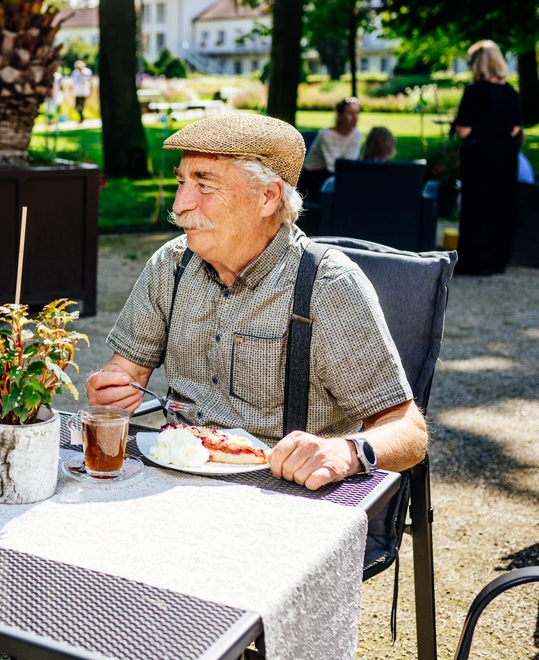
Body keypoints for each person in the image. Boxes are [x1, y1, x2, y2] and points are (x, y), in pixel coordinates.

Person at [86, 112, 427, 491]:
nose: (180, 204)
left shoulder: (326, 284)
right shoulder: (172, 264)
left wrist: (345, 452)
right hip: (174, 475)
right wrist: (111, 390)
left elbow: (408, 432)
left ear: (267, 197)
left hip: (282, 493)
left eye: (204, 185)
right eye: (181, 181)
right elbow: (125, 374)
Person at [453, 39, 523, 275]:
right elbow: (515, 128)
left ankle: (475, 261)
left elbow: (463, 129)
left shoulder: (474, 92)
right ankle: (497, 260)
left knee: (476, 207)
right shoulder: (511, 92)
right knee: (502, 207)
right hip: (505, 156)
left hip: (479, 157)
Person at [299, 97, 363, 198]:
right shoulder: (326, 135)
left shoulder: (357, 136)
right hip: (315, 177)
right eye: (350, 113)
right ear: (339, 116)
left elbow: (351, 162)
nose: (355, 117)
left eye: (357, 113)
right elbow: (332, 166)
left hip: (338, 175)